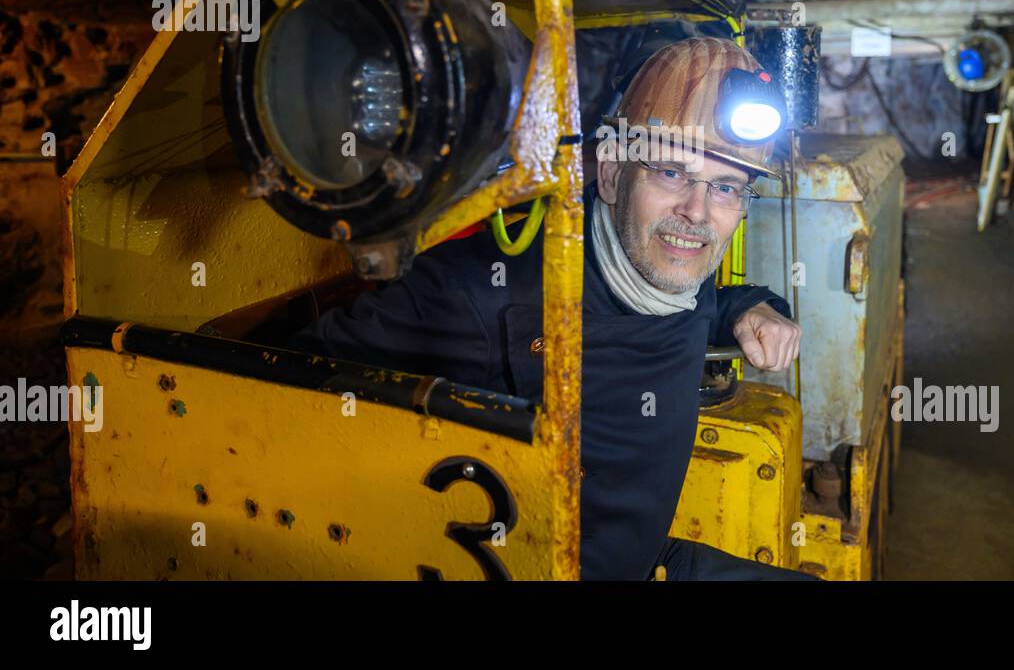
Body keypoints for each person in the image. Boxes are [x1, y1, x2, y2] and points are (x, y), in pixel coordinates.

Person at [291, 36, 815, 580]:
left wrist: (756, 306)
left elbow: (708, 304)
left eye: (727, 187)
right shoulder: (481, 296)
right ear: (611, 172)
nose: (697, 212)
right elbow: (291, 381)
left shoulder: (674, 270)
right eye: (671, 172)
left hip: (641, 563)